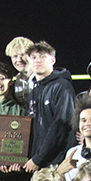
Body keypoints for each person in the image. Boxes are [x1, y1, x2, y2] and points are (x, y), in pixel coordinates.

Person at [25, 41, 75, 172]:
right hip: (37, 163)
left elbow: (60, 126)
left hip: (57, 162)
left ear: (53, 60)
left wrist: (38, 158)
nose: (37, 60)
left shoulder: (62, 87)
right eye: (34, 57)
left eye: (42, 56)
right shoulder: (32, 93)